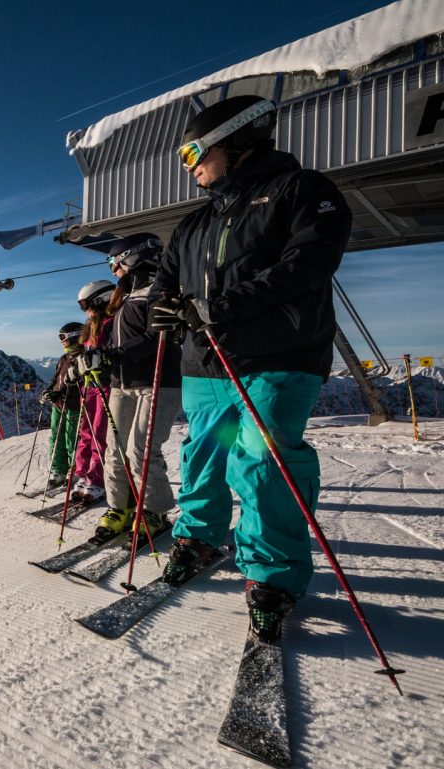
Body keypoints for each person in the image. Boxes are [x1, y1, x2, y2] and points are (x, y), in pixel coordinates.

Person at [146, 94, 351, 641]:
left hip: (276, 357)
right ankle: (199, 536)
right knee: (202, 455)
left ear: (237, 141)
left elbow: (308, 264)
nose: (189, 165)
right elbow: (166, 286)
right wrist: (165, 310)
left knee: (262, 463)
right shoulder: (191, 224)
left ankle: (272, 576)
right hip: (205, 363)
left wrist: (220, 308)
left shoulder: (302, 192)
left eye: (194, 151)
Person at [83, 233, 183, 543]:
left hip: (157, 383)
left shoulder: (160, 291)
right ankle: (120, 508)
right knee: (114, 451)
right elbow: (119, 341)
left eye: (114, 262)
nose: (113, 270)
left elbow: (158, 336)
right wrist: (98, 361)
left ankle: (154, 511)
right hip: (122, 384)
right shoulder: (127, 298)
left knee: (140, 451)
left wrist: (113, 355)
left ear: (133, 258)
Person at [69, 280, 115, 503]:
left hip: (105, 385)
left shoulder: (112, 323)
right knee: (85, 431)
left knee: (99, 432)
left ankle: (96, 478)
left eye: (86, 304)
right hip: (89, 385)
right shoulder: (90, 327)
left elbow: (112, 354)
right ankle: (84, 474)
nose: (84, 310)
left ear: (101, 299)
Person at [38, 322, 84, 491]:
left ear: (75, 336)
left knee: (71, 439)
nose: (61, 341)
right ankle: (58, 471)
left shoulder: (83, 357)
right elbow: (56, 379)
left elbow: (79, 385)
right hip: (58, 405)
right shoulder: (65, 358)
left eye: (63, 337)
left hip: (73, 406)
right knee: (56, 437)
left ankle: (75, 470)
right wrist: (49, 390)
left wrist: (60, 393)